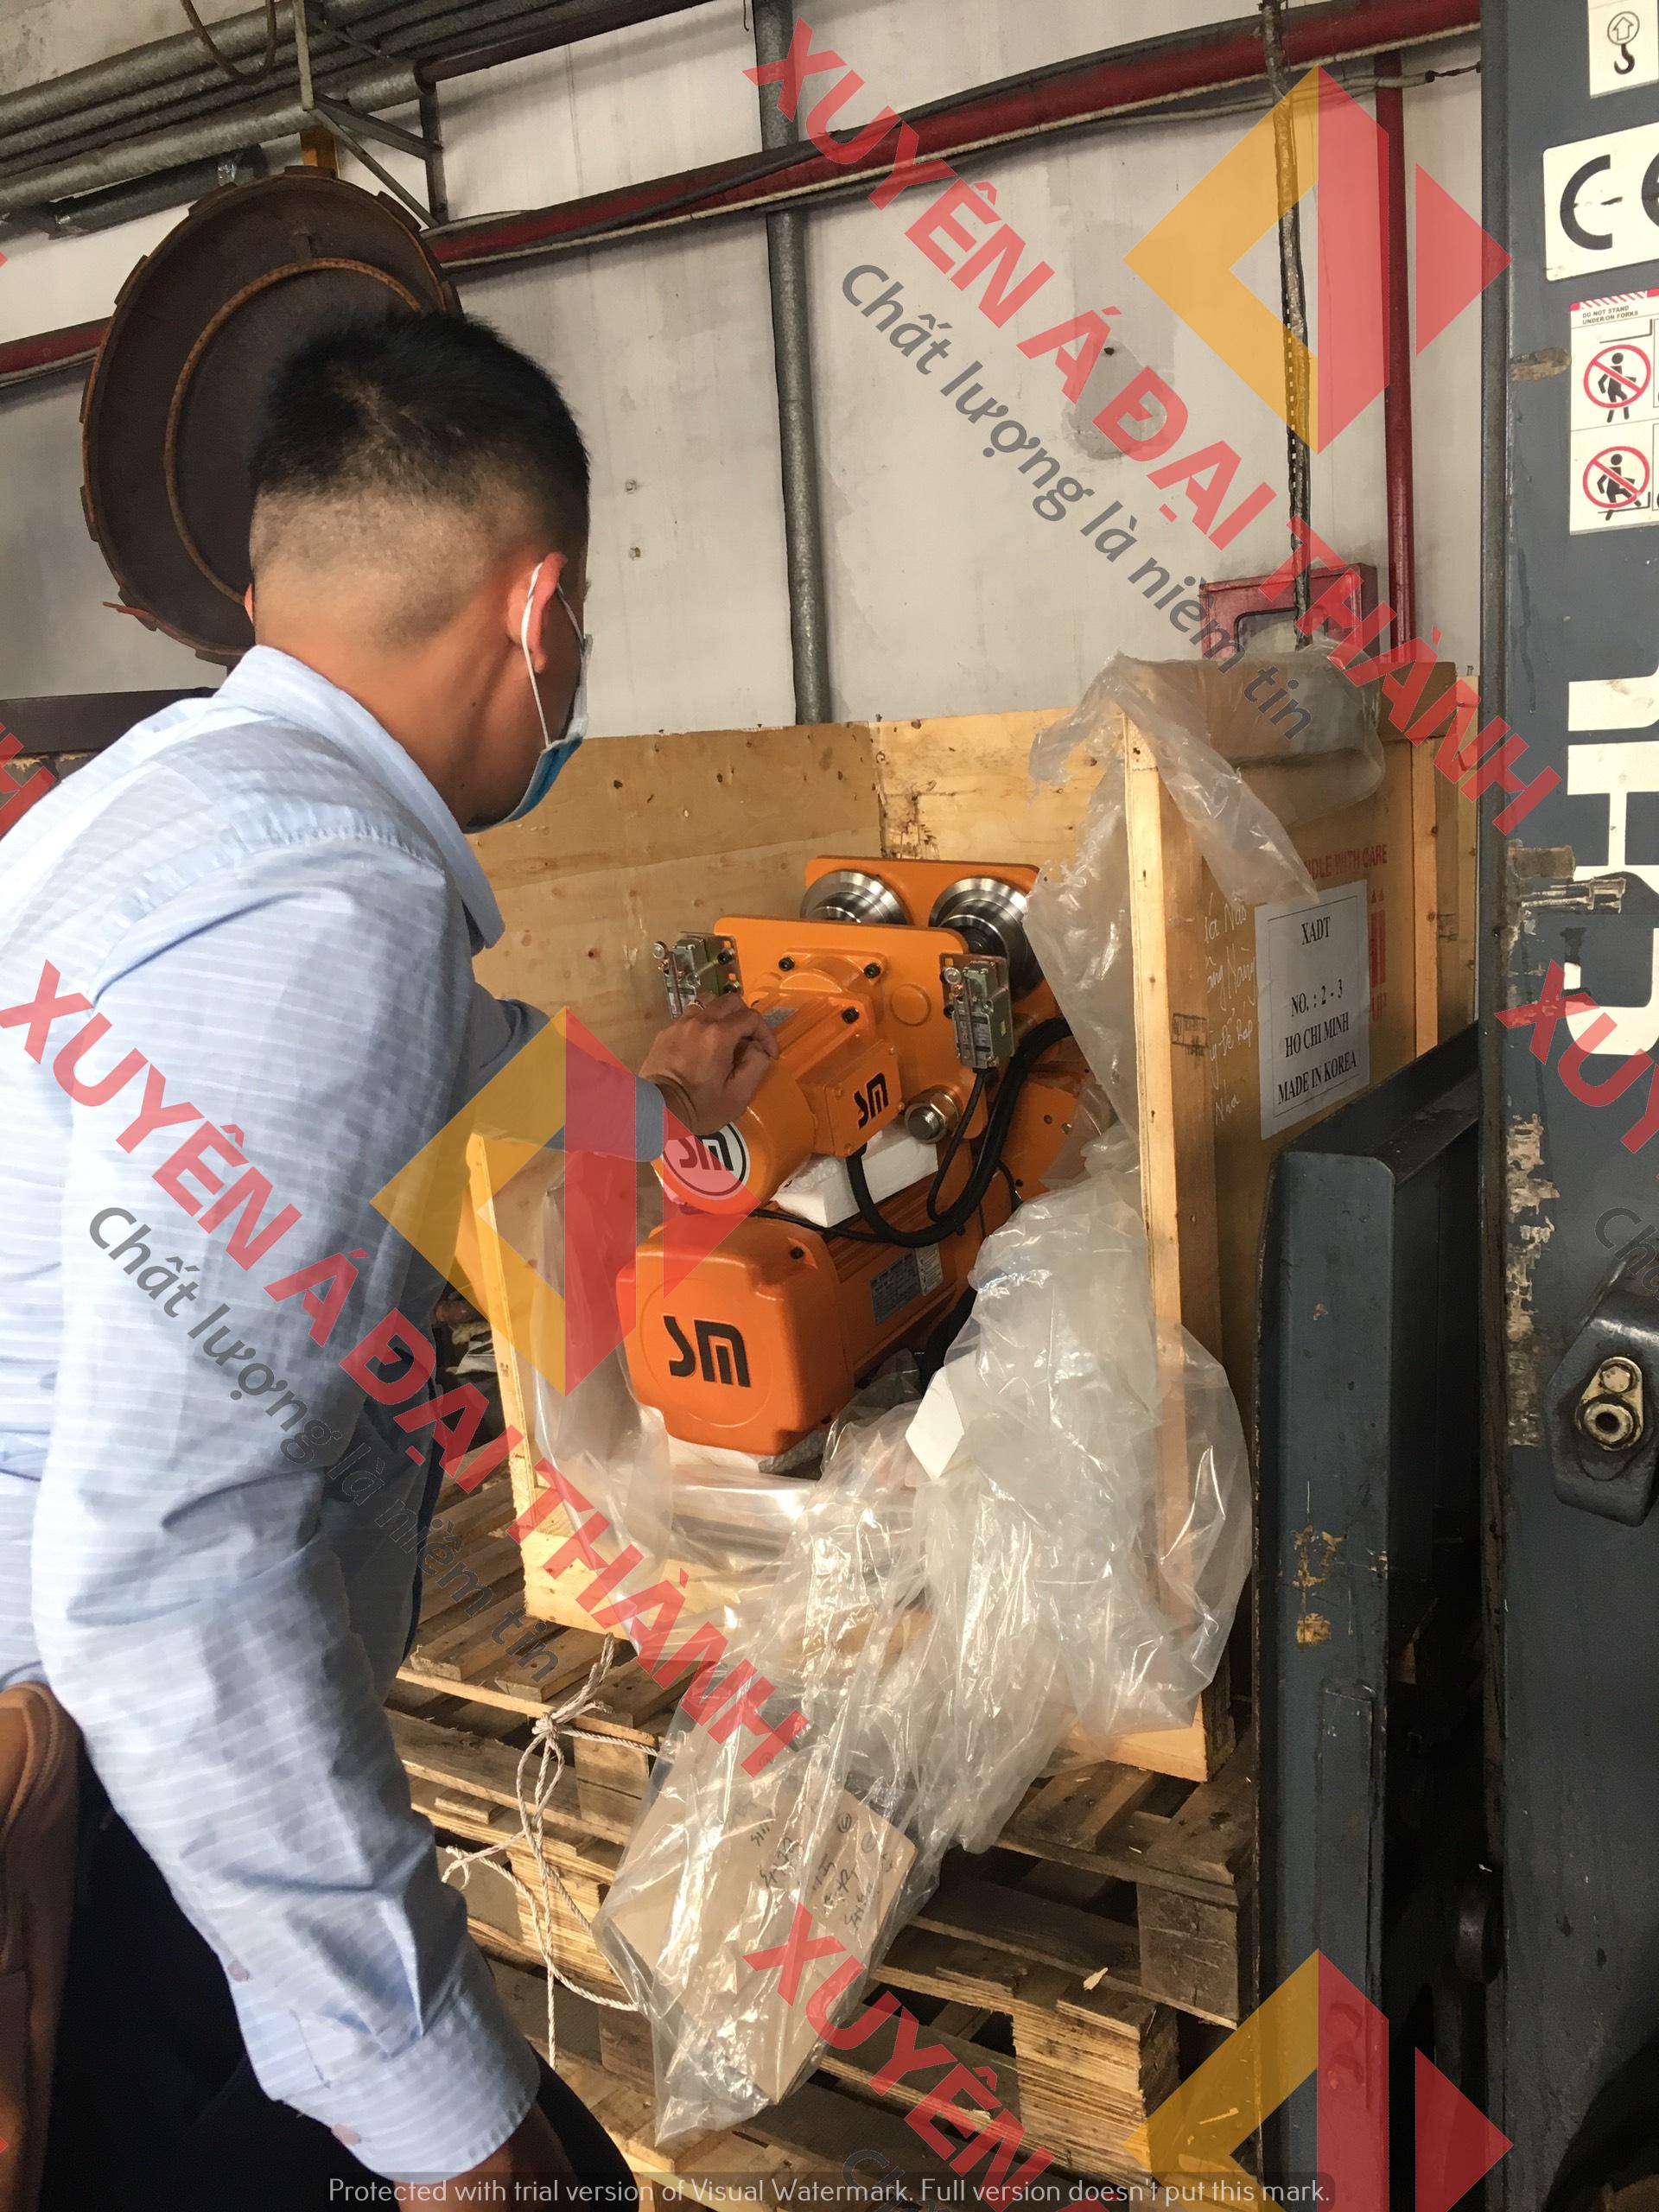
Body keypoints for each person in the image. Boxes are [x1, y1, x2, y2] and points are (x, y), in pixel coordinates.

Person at [0, 308, 778, 2208]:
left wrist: (670, 1113)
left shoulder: (174, 808)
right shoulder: (324, 909)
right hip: (92, 1791)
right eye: (581, 627)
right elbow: (163, 1573)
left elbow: (455, 1084)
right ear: (541, 609)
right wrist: (443, 2117)